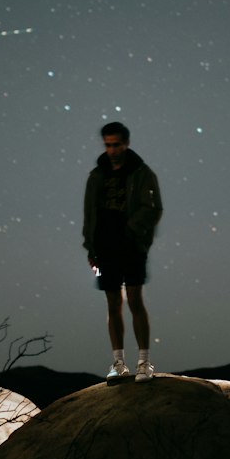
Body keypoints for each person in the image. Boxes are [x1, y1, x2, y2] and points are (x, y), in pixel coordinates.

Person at [83, 121, 163, 381]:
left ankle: (144, 362)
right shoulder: (97, 176)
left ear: (126, 143)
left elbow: (153, 208)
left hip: (131, 245)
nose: (112, 150)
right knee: (113, 304)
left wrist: (132, 230)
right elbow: (89, 213)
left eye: (116, 144)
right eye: (108, 145)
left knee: (135, 300)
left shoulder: (142, 173)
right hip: (105, 247)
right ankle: (118, 363)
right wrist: (90, 247)